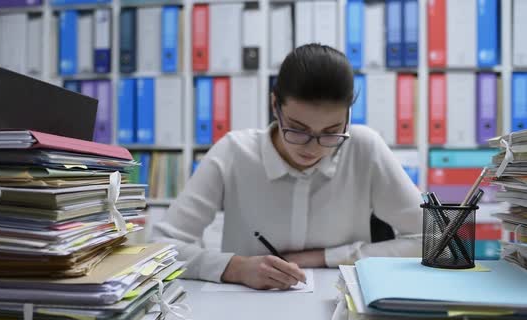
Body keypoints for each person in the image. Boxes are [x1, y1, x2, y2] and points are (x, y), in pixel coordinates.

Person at [152, 44, 423, 290]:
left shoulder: (364, 147)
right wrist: (235, 267)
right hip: (245, 309)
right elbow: (159, 248)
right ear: (274, 105)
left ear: (347, 117)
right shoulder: (234, 152)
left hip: (340, 307)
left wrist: (324, 257)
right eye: (297, 129)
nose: (313, 147)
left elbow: (433, 239)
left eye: (331, 132)